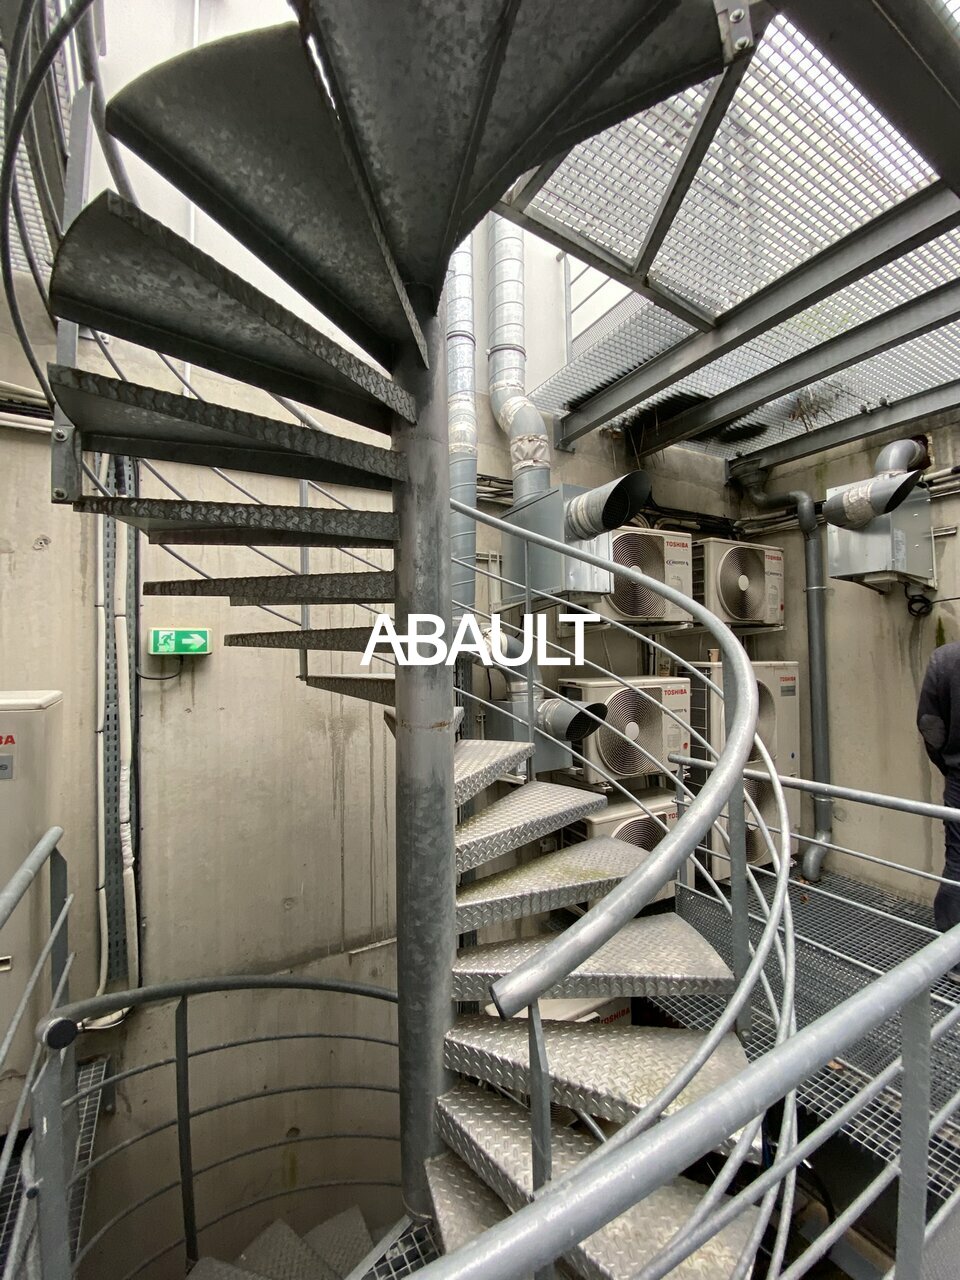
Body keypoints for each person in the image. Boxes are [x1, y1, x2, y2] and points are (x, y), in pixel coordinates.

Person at [918, 640, 960, 978]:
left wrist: (949, 765)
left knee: (958, 861)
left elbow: (930, 724)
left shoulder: (946, 659)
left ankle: (954, 959)